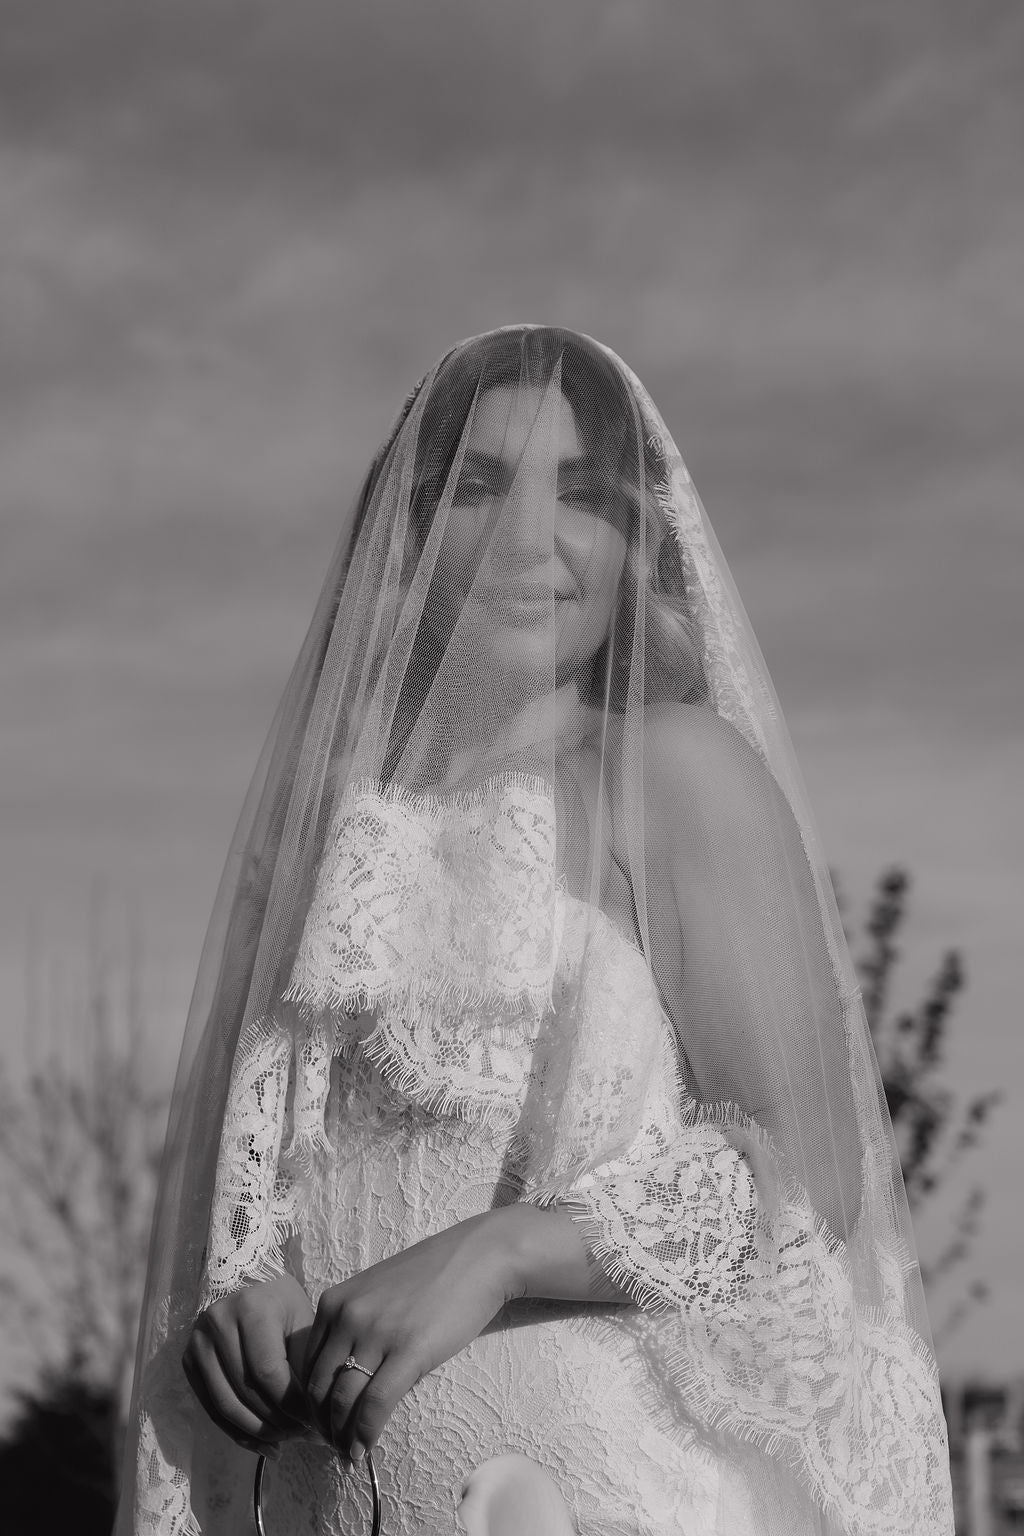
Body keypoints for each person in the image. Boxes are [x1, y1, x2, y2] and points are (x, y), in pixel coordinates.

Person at [115, 327, 954, 1536]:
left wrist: (499, 1252)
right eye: (475, 487)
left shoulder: (671, 773)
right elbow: (256, 1203)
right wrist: (247, 1302)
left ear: (636, 546)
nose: (526, 539)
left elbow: (807, 1185)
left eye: (581, 495)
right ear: (405, 536)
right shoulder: (329, 843)